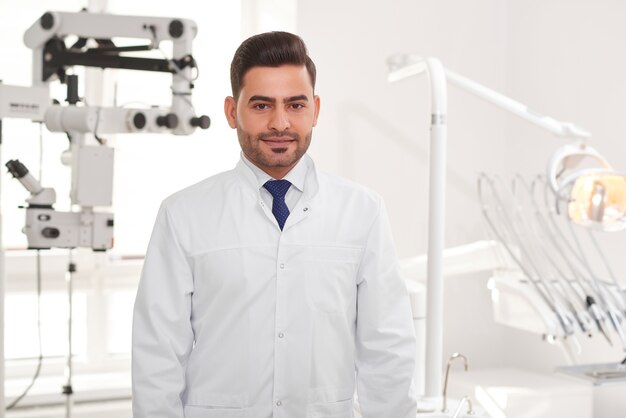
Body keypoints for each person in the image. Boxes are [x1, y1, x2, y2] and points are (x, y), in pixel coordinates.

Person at [132, 31, 417, 418]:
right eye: (262, 105)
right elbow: (157, 356)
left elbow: (386, 350)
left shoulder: (362, 212)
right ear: (232, 111)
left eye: (295, 105)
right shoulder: (183, 215)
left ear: (315, 109)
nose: (280, 123)